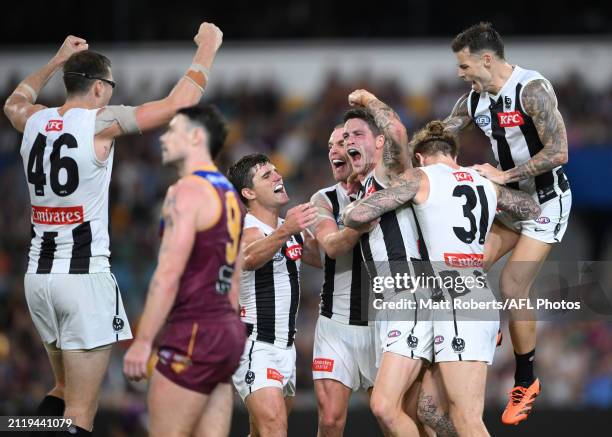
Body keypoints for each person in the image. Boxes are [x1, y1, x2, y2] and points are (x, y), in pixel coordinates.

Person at [3, 21, 223, 436]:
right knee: (80, 415)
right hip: (83, 280)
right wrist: (209, 48)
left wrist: (56, 60)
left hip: (38, 279)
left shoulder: (32, 119)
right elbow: (180, 104)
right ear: (101, 88)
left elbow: (15, 100)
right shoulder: (101, 122)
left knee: (62, 389)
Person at [343, 121, 541, 436]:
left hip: (457, 303)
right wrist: (501, 180)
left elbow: (355, 216)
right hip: (468, 293)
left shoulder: (420, 178)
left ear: (420, 157)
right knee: (429, 411)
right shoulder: (483, 181)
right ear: (453, 154)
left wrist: (352, 204)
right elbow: (530, 209)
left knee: (467, 419)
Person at [444, 22, 571, 424]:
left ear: (486, 59)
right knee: (467, 267)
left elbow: (560, 151)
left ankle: (526, 380)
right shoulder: (474, 101)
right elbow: (436, 138)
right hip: (511, 201)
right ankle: (486, 326)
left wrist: (501, 175)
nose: (460, 75)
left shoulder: (531, 89)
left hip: (546, 200)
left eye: (464, 67)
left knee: (513, 285)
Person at [123, 105, 245, 437]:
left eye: (172, 129)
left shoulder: (186, 191)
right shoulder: (229, 194)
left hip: (193, 331)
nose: (162, 137)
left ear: (195, 136)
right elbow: (234, 277)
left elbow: (167, 274)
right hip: (226, 332)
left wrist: (143, 341)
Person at [343, 90, 434, 437]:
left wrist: (367, 99)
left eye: (358, 134)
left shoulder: (389, 173)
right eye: (345, 137)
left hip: (409, 297)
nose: (350, 141)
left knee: (383, 405)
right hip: (391, 305)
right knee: (414, 412)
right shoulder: (366, 187)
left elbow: (396, 129)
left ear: (379, 143)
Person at [228, 154, 321, 437]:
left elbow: (328, 259)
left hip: (286, 348)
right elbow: (248, 258)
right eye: (267, 175)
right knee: (275, 429)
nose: (278, 177)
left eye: (277, 172)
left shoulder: (289, 229)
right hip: (256, 345)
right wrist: (287, 229)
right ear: (249, 192)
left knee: (261, 432)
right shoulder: (246, 229)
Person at [309, 125, 376, 436]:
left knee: (392, 415)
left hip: (383, 325)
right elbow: (333, 246)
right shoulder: (323, 199)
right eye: (329, 146)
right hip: (336, 324)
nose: (333, 151)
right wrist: (364, 221)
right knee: (331, 420)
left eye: (341, 143)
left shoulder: (387, 190)